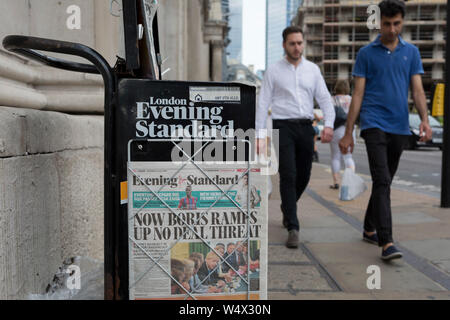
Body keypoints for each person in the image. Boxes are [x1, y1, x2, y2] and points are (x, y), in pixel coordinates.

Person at [339, 0, 432, 260]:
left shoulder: (411, 52)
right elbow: (357, 95)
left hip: (400, 125)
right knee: (382, 180)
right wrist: (348, 132)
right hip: (373, 123)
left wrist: (424, 119)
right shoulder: (366, 53)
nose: (392, 29)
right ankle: (386, 241)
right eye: (387, 24)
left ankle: (369, 227)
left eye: (397, 23)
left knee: (385, 181)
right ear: (379, 23)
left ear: (402, 22)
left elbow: (417, 89)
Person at [256, 26, 335, 248]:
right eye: (292, 43)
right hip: (283, 127)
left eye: (300, 43)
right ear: (284, 45)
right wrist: (260, 135)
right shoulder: (273, 70)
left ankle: (287, 207)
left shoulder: (313, 70)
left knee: (305, 174)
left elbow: (325, 99)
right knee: (288, 175)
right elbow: (263, 103)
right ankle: (293, 226)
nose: (297, 47)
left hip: (305, 127)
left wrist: (328, 124)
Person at [329, 80, 356, 189]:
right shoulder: (351, 100)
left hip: (335, 130)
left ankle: (336, 182)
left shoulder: (331, 100)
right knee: (348, 156)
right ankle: (349, 182)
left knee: (335, 157)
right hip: (349, 130)